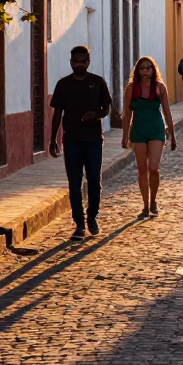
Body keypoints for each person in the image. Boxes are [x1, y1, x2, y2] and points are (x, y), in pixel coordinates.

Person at [49, 45, 112, 240]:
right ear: (71, 62)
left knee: (94, 179)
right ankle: (79, 223)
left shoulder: (98, 82)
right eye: (75, 62)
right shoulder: (63, 85)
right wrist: (53, 139)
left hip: (93, 139)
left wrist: (97, 114)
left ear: (88, 62)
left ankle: (92, 215)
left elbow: (107, 108)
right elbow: (57, 113)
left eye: (82, 61)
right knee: (74, 182)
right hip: (72, 140)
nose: (79, 65)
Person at [122, 56, 176, 217]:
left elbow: (167, 112)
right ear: (137, 71)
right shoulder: (131, 89)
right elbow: (126, 114)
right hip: (138, 131)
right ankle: (145, 205)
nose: (145, 71)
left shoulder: (160, 88)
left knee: (153, 168)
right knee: (142, 169)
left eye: (148, 68)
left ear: (153, 70)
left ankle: (153, 200)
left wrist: (172, 135)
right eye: (142, 68)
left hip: (156, 131)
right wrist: (125, 136)